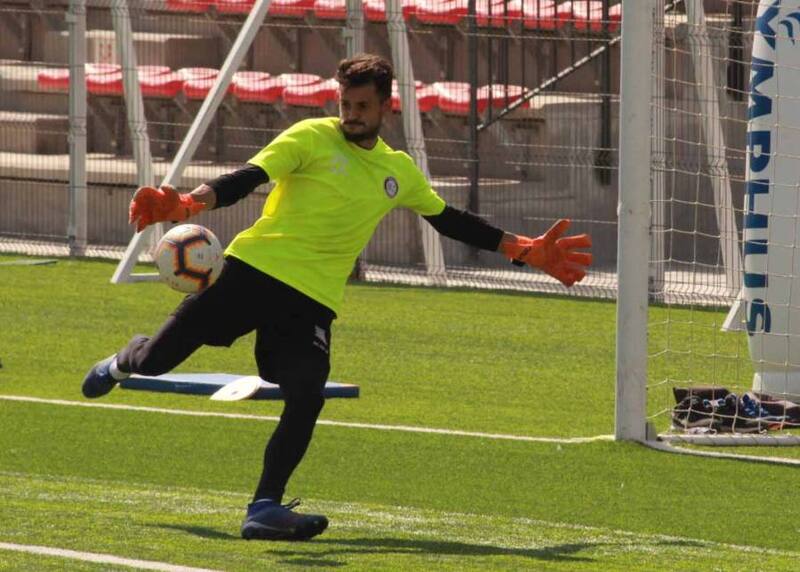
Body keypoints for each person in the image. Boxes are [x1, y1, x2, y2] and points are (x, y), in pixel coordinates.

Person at [82, 54, 592, 541]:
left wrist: (524, 249)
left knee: (307, 389)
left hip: (311, 301)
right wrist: (191, 201)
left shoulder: (398, 173)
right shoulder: (311, 137)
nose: (351, 115)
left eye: (362, 107)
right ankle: (121, 362)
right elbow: (249, 178)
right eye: (345, 105)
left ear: (385, 107)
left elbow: (449, 219)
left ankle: (264, 508)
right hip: (251, 272)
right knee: (156, 363)